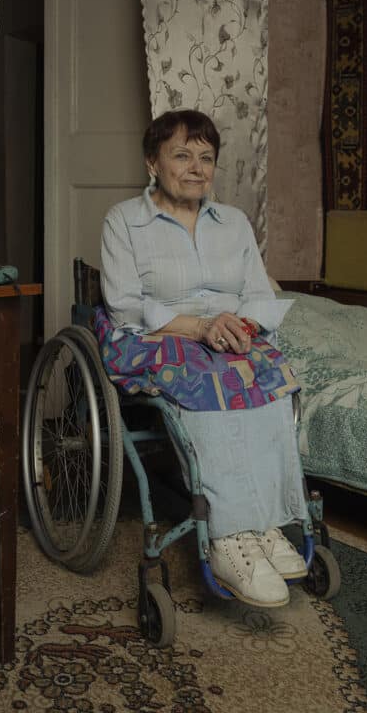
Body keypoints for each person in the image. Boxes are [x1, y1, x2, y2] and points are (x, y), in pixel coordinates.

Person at [99, 109, 310, 608]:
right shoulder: (124, 221)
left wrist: (245, 328)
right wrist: (199, 327)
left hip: (224, 332)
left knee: (271, 377)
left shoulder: (233, 223)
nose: (195, 168)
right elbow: (125, 303)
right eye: (181, 155)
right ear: (153, 161)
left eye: (206, 157)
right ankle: (228, 539)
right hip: (155, 333)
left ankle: (266, 524)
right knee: (210, 383)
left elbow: (258, 292)